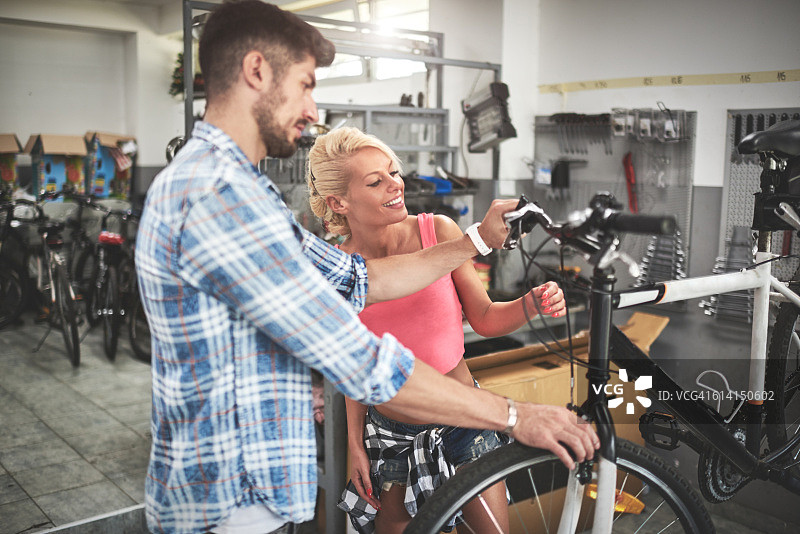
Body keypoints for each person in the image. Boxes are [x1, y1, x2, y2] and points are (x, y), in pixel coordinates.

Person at [135, 1, 599, 533]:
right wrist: (516, 416)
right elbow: (356, 359)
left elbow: (360, 282)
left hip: (245, 489)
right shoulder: (220, 197)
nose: (312, 111)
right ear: (257, 70)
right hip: (226, 498)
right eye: (306, 85)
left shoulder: (239, 189)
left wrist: (473, 240)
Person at [306, 127, 568, 533]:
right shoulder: (341, 272)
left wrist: (529, 304)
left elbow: (483, 317)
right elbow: (356, 368)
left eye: (394, 172)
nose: (396, 185)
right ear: (338, 201)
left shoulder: (437, 232)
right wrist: (356, 444)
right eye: (376, 181)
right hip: (391, 438)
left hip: (463, 420)